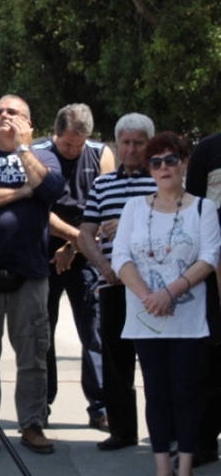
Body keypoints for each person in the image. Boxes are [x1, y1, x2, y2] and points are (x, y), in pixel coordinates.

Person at [0, 95, 65, 455]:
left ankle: (32, 424)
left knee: (33, 356)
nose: (4, 116)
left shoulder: (44, 157)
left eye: (13, 112)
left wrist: (23, 150)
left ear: (29, 124)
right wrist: (23, 191)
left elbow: (50, 189)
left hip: (30, 273)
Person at [112, 132, 221, 476]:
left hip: (188, 319)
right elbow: (120, 257)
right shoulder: (134, 208)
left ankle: (184, 467)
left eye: (171, 160)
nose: (163, 167)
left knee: (187, 394)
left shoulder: (203, 208)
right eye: (156, 162)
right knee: (156, 393)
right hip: (146, 317)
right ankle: (162, 467)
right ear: (149, 168)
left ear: (184, 163)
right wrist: (150, 296)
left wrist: (169, 292)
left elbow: (209, 257)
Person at [77, 113, 157, 451]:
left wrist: (127, 223)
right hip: (113, 285)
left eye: (139, 142)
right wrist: (103, 267)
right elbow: (85, 234)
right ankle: (123, 431)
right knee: (115, 361)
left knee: (155, 363)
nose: (131, 148)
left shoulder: (162, 180)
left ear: (149, 145)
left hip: (153, 289)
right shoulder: (102, 184)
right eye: (126, 142)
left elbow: (172, 224)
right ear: (117, 143)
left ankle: (164, 432)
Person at [33, 104, 114, 430]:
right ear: (56, 133)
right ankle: (41, 406)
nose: (73, 150)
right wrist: (72, 241)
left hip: (85, 253)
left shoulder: (101, 154)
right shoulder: (38, 153)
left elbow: (105, 207)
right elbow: (38, 209)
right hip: (44, 253)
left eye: (79, 144)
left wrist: (72, 247)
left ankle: (100, 407)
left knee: (94, 333)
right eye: (68, 144)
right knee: (42, 334)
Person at [185, 131, 221, 469]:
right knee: (210, 363)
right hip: (212, 275)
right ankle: (203, 443)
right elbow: (193, 212)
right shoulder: (209, 150)